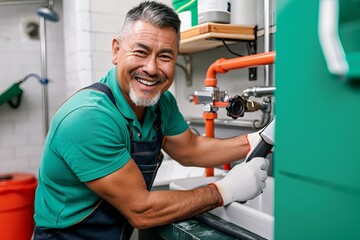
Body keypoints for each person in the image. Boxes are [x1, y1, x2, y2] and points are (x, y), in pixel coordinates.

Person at [33, 1, 269, 239]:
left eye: (165, 56)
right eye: (140, 52)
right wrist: (224, 190)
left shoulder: (161, 102)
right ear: (116, 51)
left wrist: (259, 138)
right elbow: (141, 210)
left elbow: (190, 148)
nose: (151, 68)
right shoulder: (88, 117)